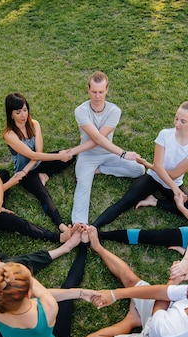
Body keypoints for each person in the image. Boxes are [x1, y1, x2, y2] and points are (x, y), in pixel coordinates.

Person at [0, 225, 98, 337]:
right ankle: (84, 248)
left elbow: (31, 292)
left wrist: (5, 274)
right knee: (68, 288)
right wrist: (80, 292)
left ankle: (73, 249)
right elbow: (48, 293)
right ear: (29, 293)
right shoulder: (48, 308)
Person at [91, 101, 188, 229]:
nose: (177, 124)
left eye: (183, 121)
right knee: (125, 202)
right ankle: (93, 227)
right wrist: (175, 189)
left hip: (173, 182)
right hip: (153, 178)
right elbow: (158, 166)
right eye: (176, 118)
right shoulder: (165, 134)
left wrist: (148, 165)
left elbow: (172, 175)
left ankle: (155, 202)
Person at [67, 71, 145, 225]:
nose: (97, 96)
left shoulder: (114, 110)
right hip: (87, 155)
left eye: (101, 92)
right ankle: (79, 224)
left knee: (139, 170)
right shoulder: (81, 111)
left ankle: (100, 170)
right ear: (88, 89)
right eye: (94, 92)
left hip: (109, 153)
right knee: (83, 186)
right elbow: (95, 139)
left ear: (107, 90)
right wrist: (123, 153)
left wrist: (122, 155)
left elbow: (100, 139)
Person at [3, 92, 74, 233]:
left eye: (25, 110)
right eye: (18, 112)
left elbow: (39, 152)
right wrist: (26, 170)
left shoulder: (34, 124)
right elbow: (31, 154)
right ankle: (62, 226)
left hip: (37, 163)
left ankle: (45, 175)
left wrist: (61, 156)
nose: (23, 115)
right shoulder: (9, 135)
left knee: (70, 155)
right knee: (43, 195)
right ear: (11, 115)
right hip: (24, 174)